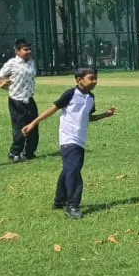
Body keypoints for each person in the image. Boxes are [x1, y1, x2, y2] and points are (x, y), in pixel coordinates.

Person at [22, 67, 117, 219]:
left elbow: (87, 117)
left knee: (69, 169)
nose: (95, 81)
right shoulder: (71, 94)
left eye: (96, 78)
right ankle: (72, 204)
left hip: (80, 139)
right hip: (68, 138)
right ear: (79, 80)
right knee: (74, 170)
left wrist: (105, 115)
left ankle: (59, 200)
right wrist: (33, 124)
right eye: (91, 78)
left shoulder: (91, 98)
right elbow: (52, 109)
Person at [0, 40, 40, 163]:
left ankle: (29, 152)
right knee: (19, 126)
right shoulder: (12, 63)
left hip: (29, 98)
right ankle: (15, 152)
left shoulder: (31, 62)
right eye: (25, 49)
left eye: (29, 49)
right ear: (17, 51)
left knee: (33, 125)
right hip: (16, 99)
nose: (29, 52)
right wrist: (1, 84)